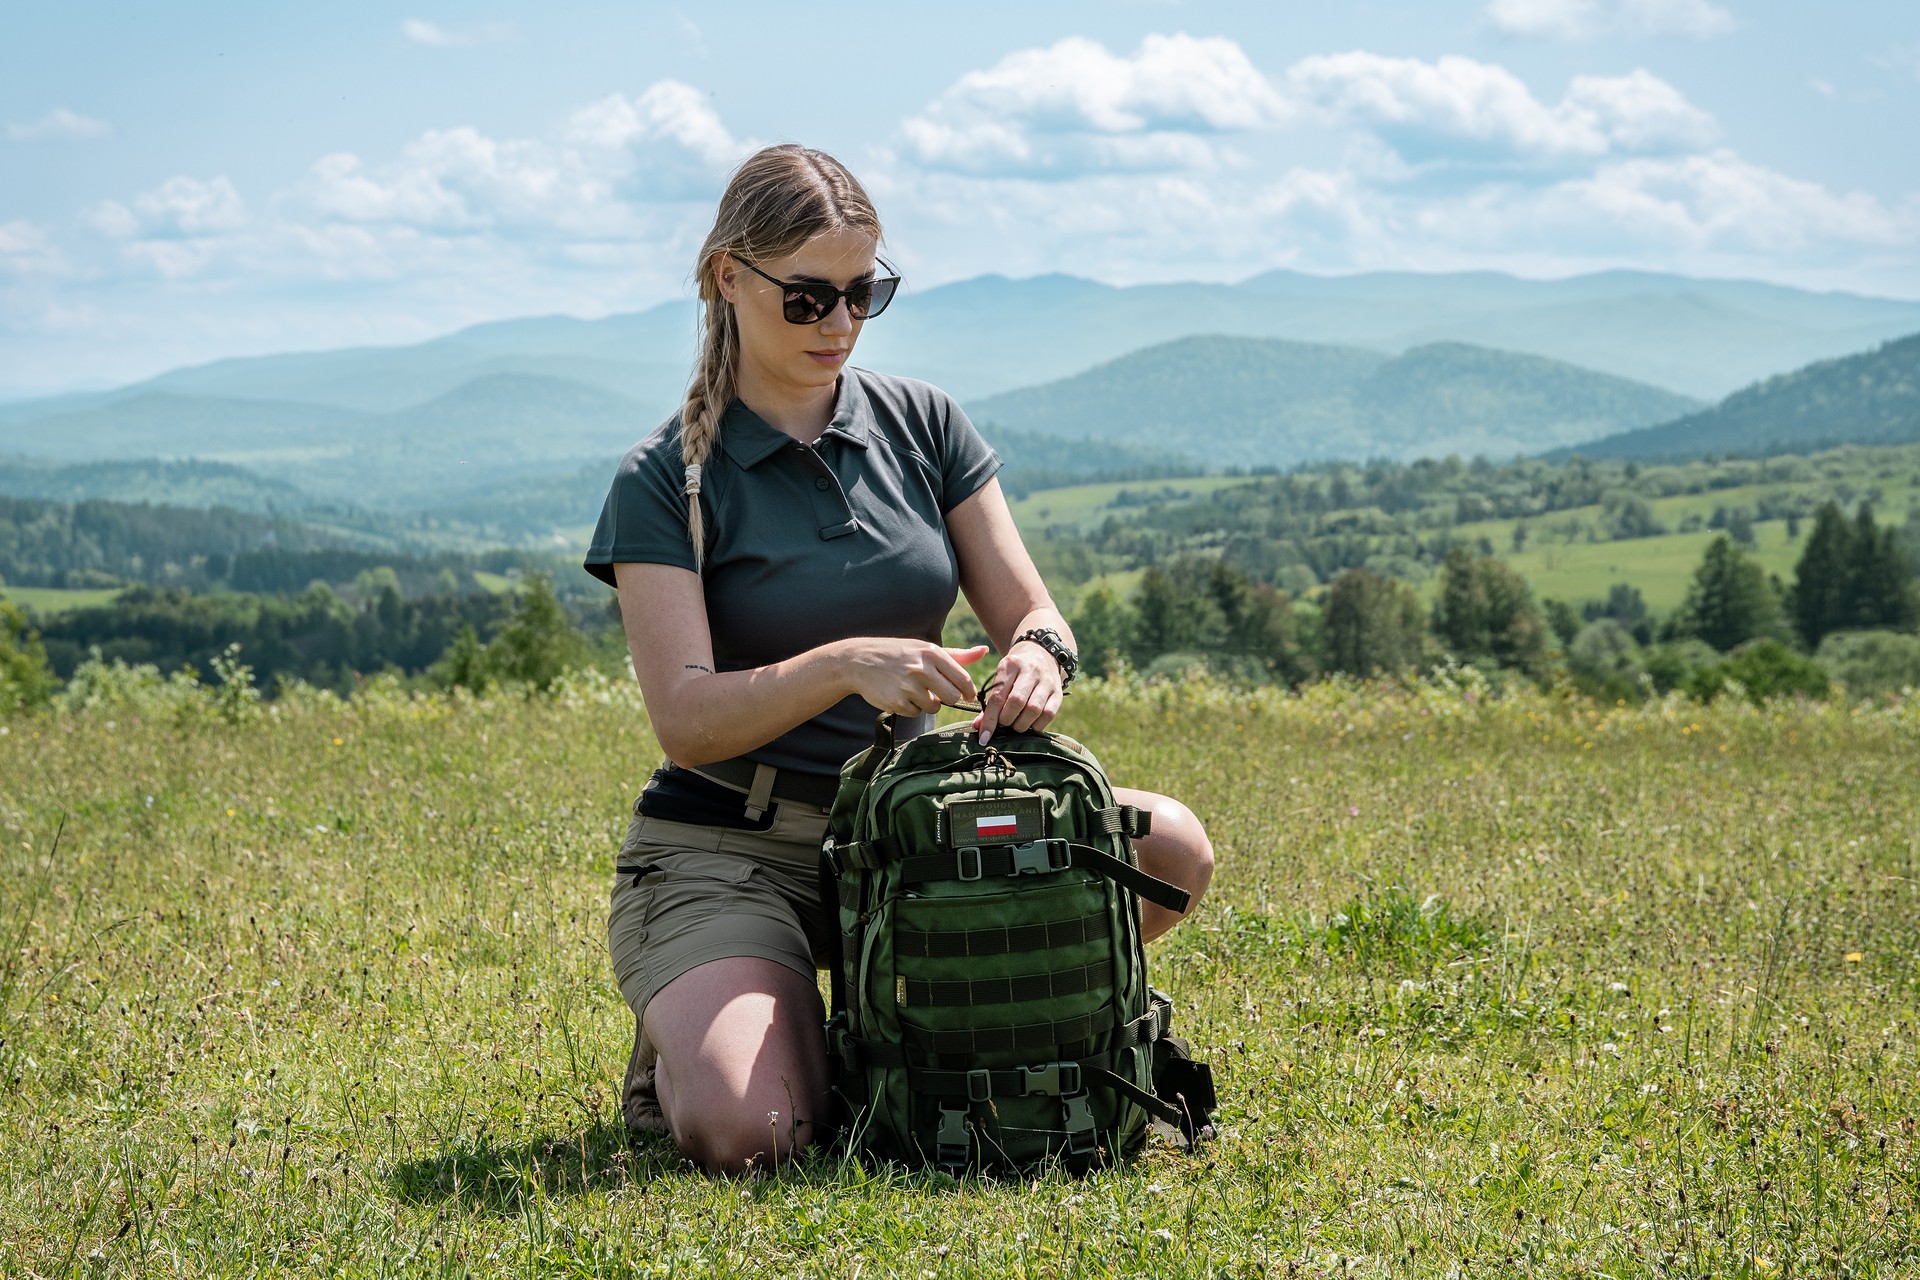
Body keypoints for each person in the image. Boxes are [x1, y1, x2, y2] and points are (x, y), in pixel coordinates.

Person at [583, 144, 1215, 1175]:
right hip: (730, 846)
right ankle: (713, 1026)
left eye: (863, 294)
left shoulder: (923, 421)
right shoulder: (666, 477)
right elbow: (685, 720)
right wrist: (840, 663)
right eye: (807, 298)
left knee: (1173, 849)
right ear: (727, 278)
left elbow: (1035, 611)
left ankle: (946, 1025)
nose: (838, 323)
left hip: (912, 830)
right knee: (761, 1135)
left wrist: (1041, 658)